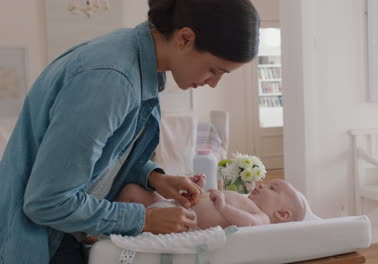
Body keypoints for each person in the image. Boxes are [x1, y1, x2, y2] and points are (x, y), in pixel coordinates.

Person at [0, 0, 260, 263]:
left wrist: (154, 177)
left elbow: (100, 158)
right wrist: (143, 219)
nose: (214, 83)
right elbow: (46, 202)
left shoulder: (134, 61)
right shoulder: (112, 81)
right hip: (36, 242)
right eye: (214, 70)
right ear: (184, 38)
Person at [115, 175, 308, 231]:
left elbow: (248, 224)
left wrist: (224, 208)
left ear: (282, 214)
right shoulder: (244, 199)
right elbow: (205, 202)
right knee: (131, 190)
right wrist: (197, 190)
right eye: (266, 183)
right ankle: (107, 228)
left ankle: (109, 234)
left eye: (272, 188)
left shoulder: (263, 218)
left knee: (138, 212)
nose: (262, 185)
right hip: (173, 206)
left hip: (177, 221)